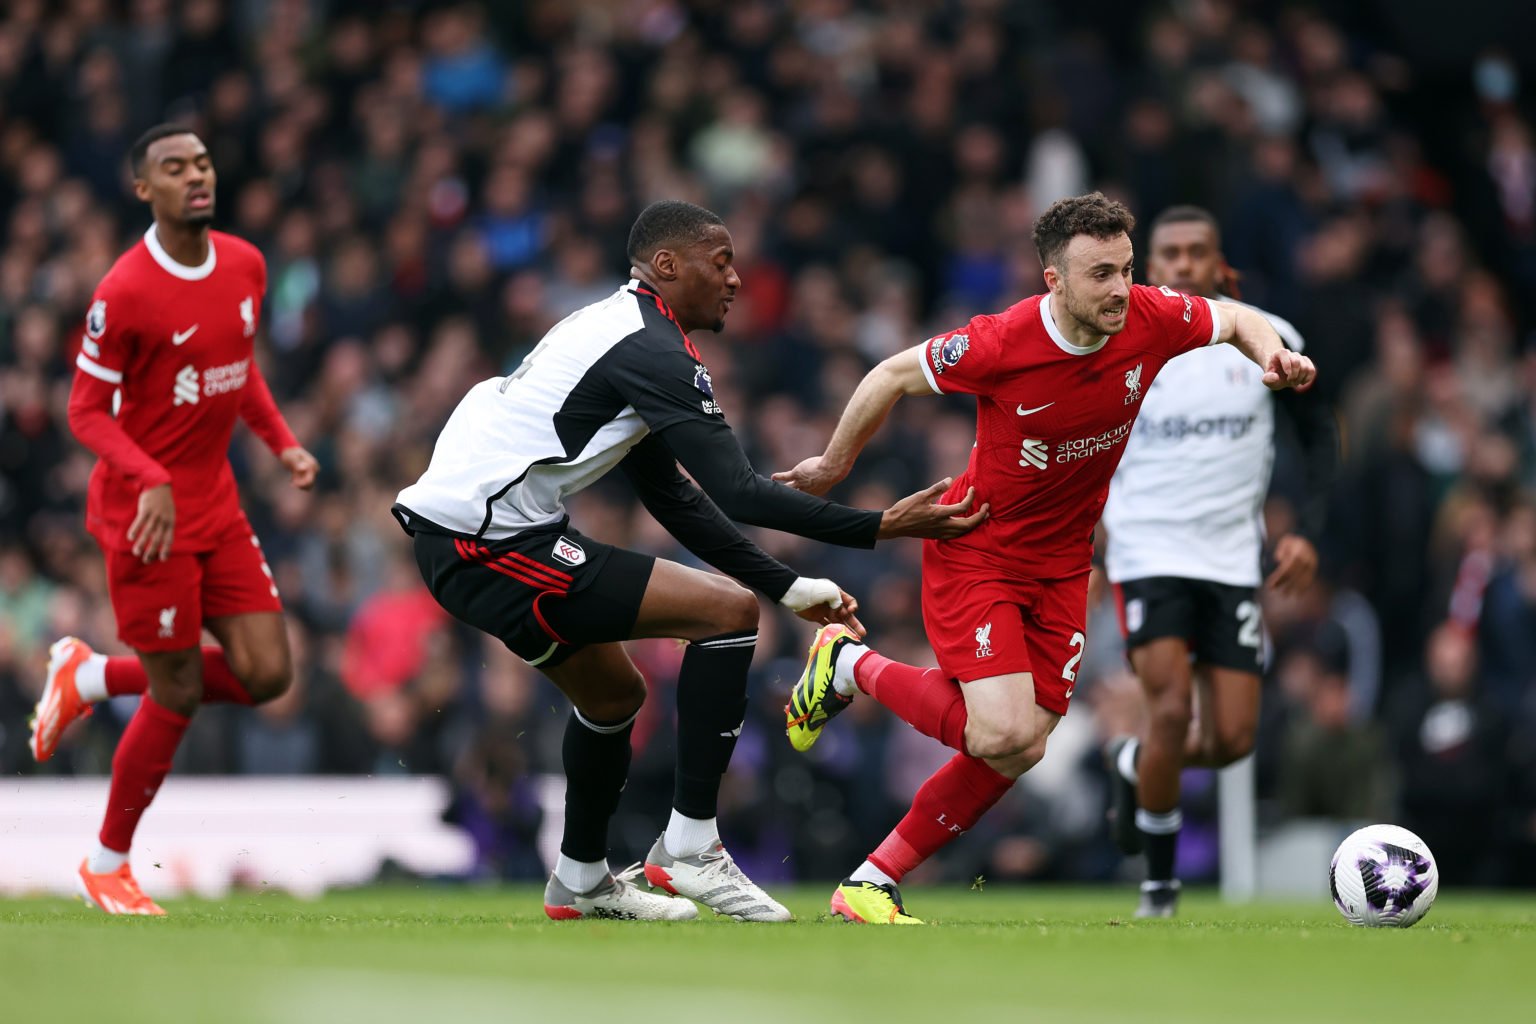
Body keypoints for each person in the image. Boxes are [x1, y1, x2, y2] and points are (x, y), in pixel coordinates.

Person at [392, 199, 984, 922]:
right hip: (485, 541)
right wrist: (884, 526)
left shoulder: (620, 330)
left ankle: (580, 881)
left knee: (614, 697)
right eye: (721, 261)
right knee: (727, 615)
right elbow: (737, 490)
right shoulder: (652, 348)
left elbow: (673, 497)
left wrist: (790, 586)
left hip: (480, 535)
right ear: (667, 265)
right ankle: (689, 850)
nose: (735, 279)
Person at [775, 192, 1316, 923]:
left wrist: (1272, 355)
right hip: (980, 548)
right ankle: (846, 665)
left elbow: (1236, 318)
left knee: (1020, 746)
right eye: (1101, 274)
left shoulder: (1152, 316)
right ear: (1053, 280)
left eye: (1126, 269)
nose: (1121, 289)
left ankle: (871, 880)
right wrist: (835, 464)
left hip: (1063, 566)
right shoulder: (1000, 342)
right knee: (1000, 730)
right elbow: (891, 376)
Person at [29, 125, 319, 915]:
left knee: (269, 674)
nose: (195, 176)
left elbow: (236, 367)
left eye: (201, 163)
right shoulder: (123, 292)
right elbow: (84, 411)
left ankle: (87, 675)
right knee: (179, 691)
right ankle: (106, 863)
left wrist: (283, 442)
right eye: (173, 168)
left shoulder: (246, 263)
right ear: (143, 190)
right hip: (143, 519)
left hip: (216, 505)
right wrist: (150, 477)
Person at [1099, 205, 1338, 917]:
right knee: (1169, 709)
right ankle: (1159, 890)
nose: (1180, 265)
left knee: (1230, 741)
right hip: (1147, 549)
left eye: (1194, 252)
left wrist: (1310, 532)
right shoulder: (1120, 342)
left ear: (1218, 262)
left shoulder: (1269, 338)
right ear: (1151, 265)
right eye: (1167, 253)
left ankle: (1131, 765)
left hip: (1233, 559)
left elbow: (1319, 439)